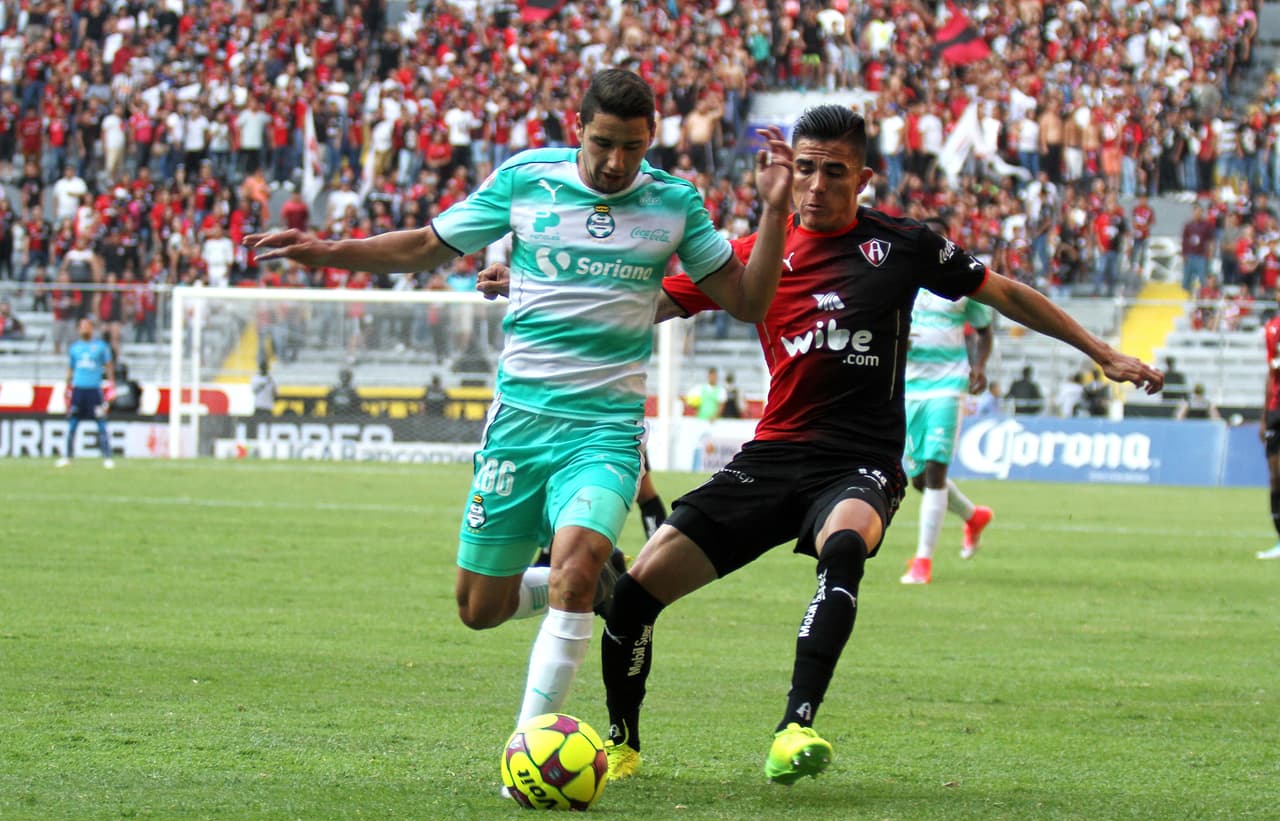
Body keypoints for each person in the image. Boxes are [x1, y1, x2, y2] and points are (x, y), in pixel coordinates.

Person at [554, 105, 1162, 785]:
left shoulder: (902, 246)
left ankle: (795, 725)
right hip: (773, 455)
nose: (815, 184)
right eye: (805, 169)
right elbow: (647, 301)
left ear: (863, 177)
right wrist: (537, 288)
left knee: (844, 544)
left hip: (861, 459)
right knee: (636, 595)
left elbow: (1006, 293)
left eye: (833, 172)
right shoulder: (754, 256)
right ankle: (623, 742)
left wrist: (1102, 350)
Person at [244, 68, 795, 740]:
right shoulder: (526, 178)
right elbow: (424, 246)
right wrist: (330, 250)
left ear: (651, 140)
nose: (618, 162)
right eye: (604, 144)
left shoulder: (675, 203)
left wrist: (773, 210)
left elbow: (748, 301)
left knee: (576, 563)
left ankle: (528, 747)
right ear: (579, 128)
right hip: (518, 430)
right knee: (479, 607)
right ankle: (591, 583)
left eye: (634, 148)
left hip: (604, 431)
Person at [901, 223, 997, 585]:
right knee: (920, 480)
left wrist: (980, 366)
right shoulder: (903, 282)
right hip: (909, 388)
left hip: (948, 384)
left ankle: (922, 562)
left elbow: (985, 331)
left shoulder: (960, 285)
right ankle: (973, 517)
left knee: (936, 473)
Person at [57, 317, 116, 468]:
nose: (85, 329)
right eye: (82, 326)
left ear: (92, 328)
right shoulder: (74, 348)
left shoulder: (101, 347)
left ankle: (107, 457)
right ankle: (68, 456)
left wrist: (111, 385)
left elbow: (109, 366)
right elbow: (71, 368)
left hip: (94, 391)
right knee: (72, 424)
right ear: (78, 329)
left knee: (101, 424)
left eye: (87, 326)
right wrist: (66, 387)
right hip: (78, 391)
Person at [1259, 302, 1280, 559]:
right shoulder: (1272, 329)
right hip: (1277, 409)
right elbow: (1270, 371)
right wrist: (1264, 415)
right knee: (1276, 477)